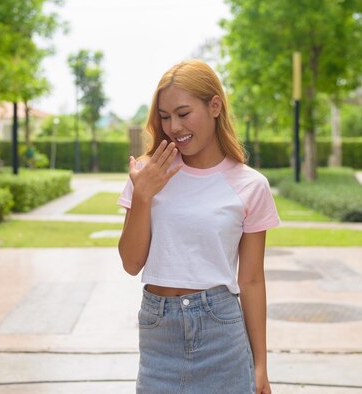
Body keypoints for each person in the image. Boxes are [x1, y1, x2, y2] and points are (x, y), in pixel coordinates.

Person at [118, 59, 280, 394]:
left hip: (222, 331)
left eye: (183, 113)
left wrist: (260, 365)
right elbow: (132, 263)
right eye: (164, 117)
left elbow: (251, 280)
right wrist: (143, 196)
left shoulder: (250, 185)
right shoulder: (148, 174)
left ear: (215, 106)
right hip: (158, 332)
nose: (174, 126)